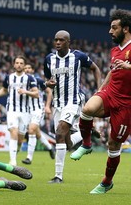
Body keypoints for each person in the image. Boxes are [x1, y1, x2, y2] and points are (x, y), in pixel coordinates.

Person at [70, 9, 131, 194]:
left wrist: (129, 66)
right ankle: (87, 144)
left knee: (113, 145)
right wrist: (101, 88)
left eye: (114, 28)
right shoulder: (114, 50)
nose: (110, 31)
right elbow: (113, 71)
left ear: (126, 29)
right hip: (110, 93)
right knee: (87, 108)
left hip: (126, 104)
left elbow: (125, 67)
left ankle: (106, 182)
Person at [44, 30, 101, 183]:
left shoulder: (78, 56)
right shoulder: (49, 59)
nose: (57, 43)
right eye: (56, 40)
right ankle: (85, 132)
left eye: (61, 40)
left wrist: (99, 90)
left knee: (60, 131)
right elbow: (47, 79)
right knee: (65, 141)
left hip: (73, 101)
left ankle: (58, 176)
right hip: (58, 103)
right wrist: (47, 84)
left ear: (68, 42)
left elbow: (96, 69)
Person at [0, 55, 38, 166]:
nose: (19, 65)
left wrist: (26, 92)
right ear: (14, 64)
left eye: (21, 63)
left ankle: (15, 151)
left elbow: (36, 94)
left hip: (25, 111)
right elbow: (4, 90)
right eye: (17, 63)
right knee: (13, 131)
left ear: (24, 65)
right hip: (12, 109)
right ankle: (12, 161)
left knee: (20, 138)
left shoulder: (29, 78)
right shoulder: (9, 77)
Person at [21, 63, 55, 165]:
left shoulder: (37, 80)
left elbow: (49, 92)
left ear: (32, 70)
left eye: (29, 68)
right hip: (26, 111)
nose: (27, 70)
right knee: (37, 133)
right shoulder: (20, 81)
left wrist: (47, 106)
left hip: (37, 110)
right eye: (25, 68)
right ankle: (50, 148)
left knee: (31, 130)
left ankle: (29, 158)